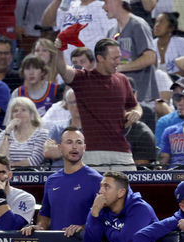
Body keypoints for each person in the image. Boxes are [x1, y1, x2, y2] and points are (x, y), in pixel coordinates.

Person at [54, 37, 142, 171]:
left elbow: (135, 105)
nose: (118, 62)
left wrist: (137, 112)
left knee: (128, 190)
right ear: (100, 58)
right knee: (96, 192)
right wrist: (59, 50)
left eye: (119, 57)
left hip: (122, 151)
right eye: (114, 58)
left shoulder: (123, 80)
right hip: (93, 153)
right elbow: (63, 70)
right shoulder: (82, 79)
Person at [104, 0, 159, 103]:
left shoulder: (138, 25)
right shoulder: (111, 31)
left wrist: (121, 68)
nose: (103, 7)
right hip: (120, 96)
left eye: (106, 2)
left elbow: (150, 57)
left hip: (142, 97)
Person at [41, 0, 115, 65]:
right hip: (67, 70)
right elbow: (47, 23)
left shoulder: (102, 7)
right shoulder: (67, 6)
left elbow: (112, 38)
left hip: (92, 70)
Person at [0, 97, 49, 167]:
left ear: (32, 115)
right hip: (6, 174)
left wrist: (11, 165)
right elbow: (0, 158)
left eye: (23, 110)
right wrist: (7, 131)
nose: (18, 113)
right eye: (15, 111)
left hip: (33, 174)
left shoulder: (42, 134)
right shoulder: (5, 134)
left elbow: (35, 161)